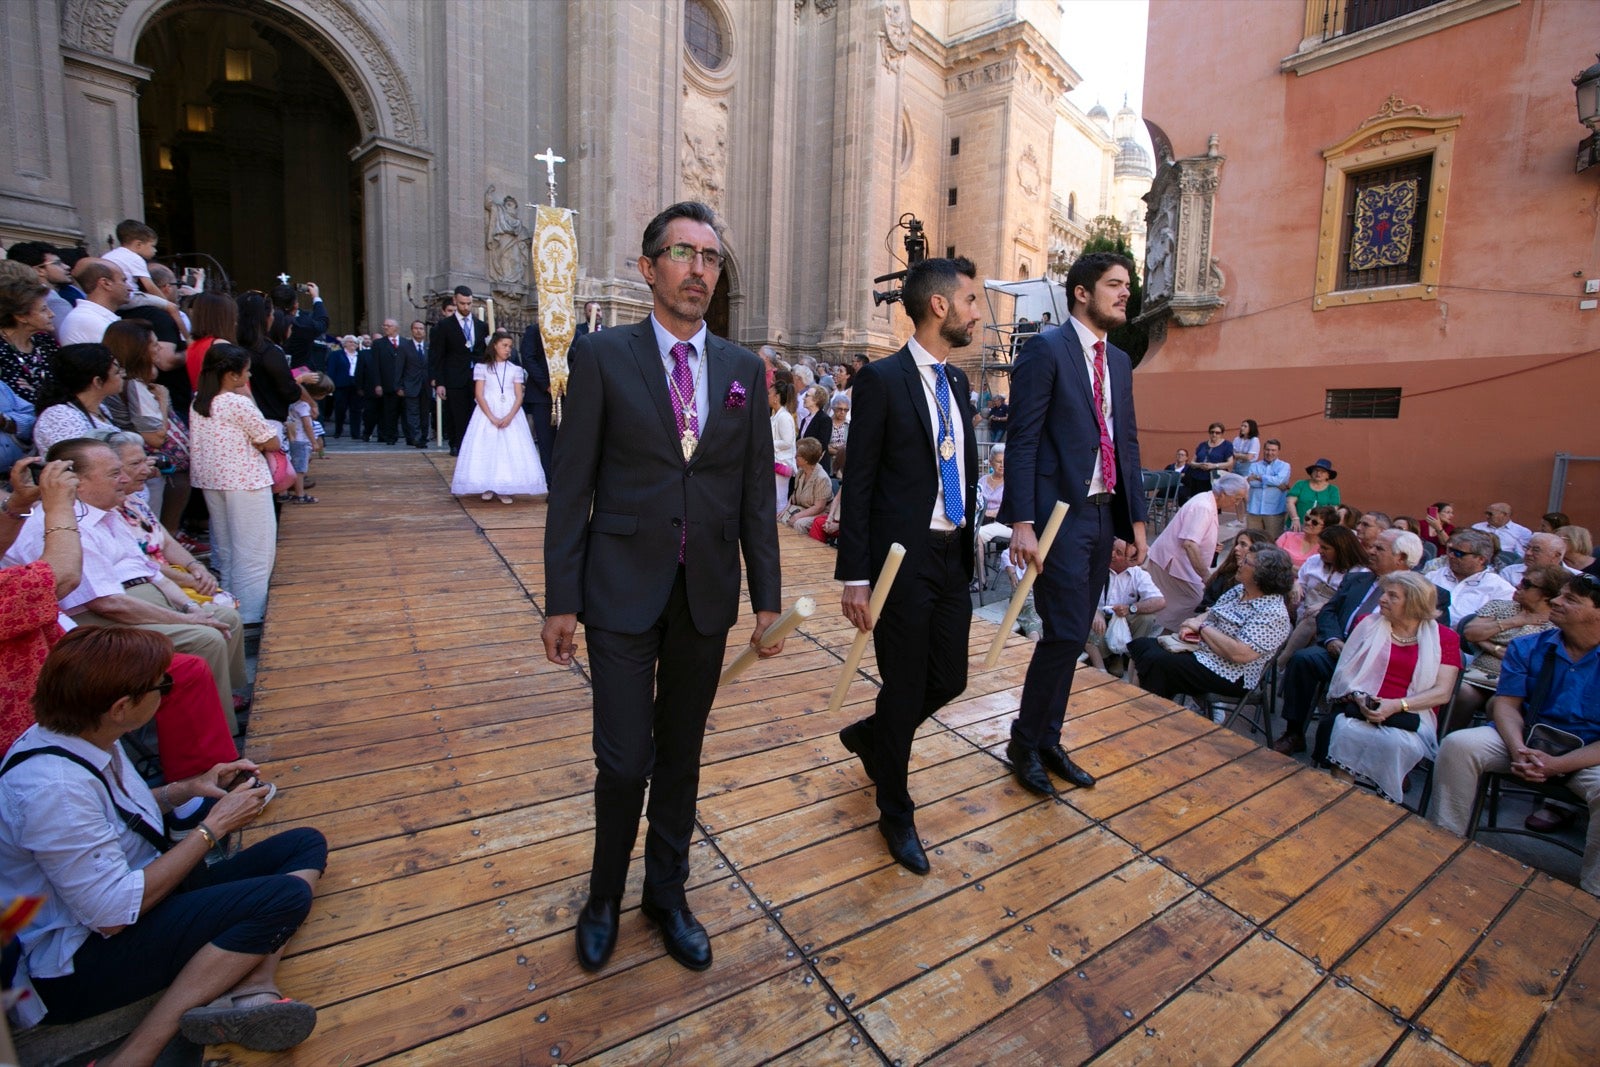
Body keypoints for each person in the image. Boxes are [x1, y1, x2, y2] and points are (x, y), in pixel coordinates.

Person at [542, 200, 782, 975]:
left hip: (706, 593)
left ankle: (666, 894)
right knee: (623, 759)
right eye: (684, 253)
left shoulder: (745, 372)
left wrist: (768, 599)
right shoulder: (606, 356)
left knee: (681, 753)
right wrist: (561, 597)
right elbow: (570, 484)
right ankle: (604, 896)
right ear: (649, 269)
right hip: (616, 588)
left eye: (711, 257)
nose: (700, 270)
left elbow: (753, 497)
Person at [0, 627, 326, 1060]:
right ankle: (136, 1052)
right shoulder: (54, 789)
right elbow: (112, 915)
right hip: (74, 966)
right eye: (162, 684)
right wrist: (213, 828)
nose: (166, 691)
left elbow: (111, 818)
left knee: (304, 845)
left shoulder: (80, 738)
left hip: (135, 898)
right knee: (283, 897)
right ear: (122, 707)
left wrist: (188, 788)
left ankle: (251, 984)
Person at [836, 255, 982, 872]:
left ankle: (874, 738)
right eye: (971, 300)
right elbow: (860, 481)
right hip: (901, 560)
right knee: (902, 686)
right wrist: (855, 577)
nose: (979, 312)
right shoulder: (883, 380)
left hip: (953, 553)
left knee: (950, 678)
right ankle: (895, 810)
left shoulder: (959, 382)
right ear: (940, 306)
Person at [1000, 250, 1148, 798]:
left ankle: (1046, 739)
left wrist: (1136, 523)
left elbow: (1127, 444)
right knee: (1062, 632)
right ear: (1082, 292)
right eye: (1114, 285)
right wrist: (1022, 520)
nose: (1124, 293)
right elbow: (1023, 439)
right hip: (1057, 516)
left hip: (1104, 513)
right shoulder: (1046, 350)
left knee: (1074, 633)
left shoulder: (1121, 363)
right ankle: (1025, 741)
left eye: (1127, 286)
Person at [1431, 573, 1600, 894]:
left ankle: (1594, 892)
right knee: (1459, 745)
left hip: (1586, 754)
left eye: (1571, 600)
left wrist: (1555, 766)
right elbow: (1506, 705)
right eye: (1560, 594)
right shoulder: (1529, 646)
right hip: (1524, 739)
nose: (1557, 602)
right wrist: (1519, 747)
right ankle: (1444, 841)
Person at [1273, 529, 1436, 756]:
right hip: (1338, 650)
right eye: (1373, 546)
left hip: (1382, 664)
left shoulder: (1423, 593)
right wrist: (1332, 639)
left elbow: (1426, 640)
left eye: (1379, 548)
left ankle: (1378, 758)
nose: (1370, 551)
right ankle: (1294, 732)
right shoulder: (1356, 579)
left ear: (1401, 558)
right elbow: (1329, 611)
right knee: (1303, 660)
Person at [1323, 572, 1462, 802]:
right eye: (1384, 593)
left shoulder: (1444, 638)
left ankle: (1380, 809)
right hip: (1361, 705)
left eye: (1392, 596)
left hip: (1411, 713)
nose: (1382, 599)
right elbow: (1347, 671)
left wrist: (1397, 705)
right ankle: (1337, 801)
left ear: (1414, 602)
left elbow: (1442, 692)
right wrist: (1359, 697)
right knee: (1346, 730)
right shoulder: (1367, 624)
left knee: (1394, 742)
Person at [1129, 543, 1294, 706]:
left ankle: (1144, 713)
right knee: (1143, 646)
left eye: (1246, 562)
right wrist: (1193, 623)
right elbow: (1213, 612)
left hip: (1231, 674)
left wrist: (1201, 628)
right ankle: (1143, 711)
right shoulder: (1240, 590)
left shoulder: (1273, 613)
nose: (1240, 563)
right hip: (1203, 653)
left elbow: (1239, 654)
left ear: (1262, 574)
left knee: (1157, 662)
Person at [187, 344, 280, 626]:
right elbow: (270, 440)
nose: (249, 374)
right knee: (254, 548)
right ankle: (250, 612)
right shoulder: (236, 402)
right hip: (245, 479)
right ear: (231, 374)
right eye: (245, 370)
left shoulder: (198, 401)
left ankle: (228, 601)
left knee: (225, 546)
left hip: (213, 479)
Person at [1455, 564, 1564, 724]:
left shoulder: (1555, 624)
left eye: (1527, 584)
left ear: (1547, 595)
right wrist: (1514, 621)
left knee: (1499, 704)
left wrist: (1486, 643)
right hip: (1478, 675)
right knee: (1463, 693)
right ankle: (1446, 740)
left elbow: (1526, 658)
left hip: (1518, 683)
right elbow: (1470, 633)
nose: (1518, 585)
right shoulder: (1500, 606)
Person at [1142, 472, 1248, 632]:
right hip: (1174, 564)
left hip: (1179, 566)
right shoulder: (1203, 506)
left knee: (1181, 610)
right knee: (1195, 602)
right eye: (1237, 497)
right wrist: (1206, 576)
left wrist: (1211, 545)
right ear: (1225, 493)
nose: (1237, 502)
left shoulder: (1208, 501)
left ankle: (1166, 639)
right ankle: (1163, 639)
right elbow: (1190, 544)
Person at [450, 329, 546, 503]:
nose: (508, 349)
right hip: (488, 411)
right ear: (494, 346)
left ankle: (505, 487)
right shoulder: (482, 368)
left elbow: (519, 396)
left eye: (510, 346)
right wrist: (492, 417)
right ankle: (487, 484)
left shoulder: (515, 369)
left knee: (509, 450)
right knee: (487, 447)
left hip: (510, 411)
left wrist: (509, 416)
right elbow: (479, 394)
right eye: (504, 346)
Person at [1281, 523, 1368, 657]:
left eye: (1325, 548)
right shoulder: (1314, 561)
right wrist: (1296, 584)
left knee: (1314, 618)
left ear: (1341, 549)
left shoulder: (1360, 573)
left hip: (1327, 624)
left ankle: (1284, 659)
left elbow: (1352, 603)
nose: (1320, 551)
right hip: (1300, 615)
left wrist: (1324, 605)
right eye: (1320, 546)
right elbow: (1301, 580)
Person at [1085, 538, 1166, 672]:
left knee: (1147, 618)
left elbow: (1160, 601)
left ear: (1131, 561)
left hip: (1121, 620)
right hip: (1097, 619)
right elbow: (1078, 593)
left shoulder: (1137, 574)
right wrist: (1094, 611)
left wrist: (1131, 609)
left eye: (1119, 553)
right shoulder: (1096, 566)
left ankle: (1126, 657)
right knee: (1084, 616)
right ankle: (1103, 664)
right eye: (1112, 549)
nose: (1112, 554)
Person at [31, 342, 123, 454]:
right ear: (97, 382)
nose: (122, 375)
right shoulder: (60, 416)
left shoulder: (101, 408)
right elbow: (81, 462)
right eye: (117, 372)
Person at [429, 286, 484, 456]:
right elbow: (437, 356)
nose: (466, 307)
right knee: (456, 414)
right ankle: (457, 444)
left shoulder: (481, 326)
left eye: (469, 303)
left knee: (474, 414)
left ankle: (473, 446)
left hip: (475, 378)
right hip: (453, 378)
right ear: (455, 300)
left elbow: (482, 352)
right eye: (462, 303)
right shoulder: (444, 326)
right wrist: (439, 382)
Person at [1428, 528, 1514, 627]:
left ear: (1481, 559)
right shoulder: (1433, 576)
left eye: (1458, 553)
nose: (1451, 556)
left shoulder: (1500, 589)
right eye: (1450, 550)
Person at [0, 273, 59, 403]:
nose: (52, 314)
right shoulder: (2, 352)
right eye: (44, 310)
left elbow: (69, 385)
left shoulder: (45, 341)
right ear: (21, 317)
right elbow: (18, 399)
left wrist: (35, 390)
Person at [57, 258, 130, 346]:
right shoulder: (89, 320)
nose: (130, 288)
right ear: (106, 283)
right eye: (123, 280)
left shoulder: (92, 317)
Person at [515, 319, 557, 465]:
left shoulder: (572, 331)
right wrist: (546, 385)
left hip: (565, 395)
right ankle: (549, 478)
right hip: (542, 396)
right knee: (546, 441)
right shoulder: (534, 330)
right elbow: (528, 359)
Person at [283, 373, 330, 504]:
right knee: (300, 470)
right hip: (301, 441)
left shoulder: (294, 402)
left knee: (292, 466)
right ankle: (300, 494)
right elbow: (307, 425)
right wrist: (314, 442)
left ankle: (284, 492)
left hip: (293, 439)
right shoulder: (304, 406)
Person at [1200, 528, 1273, 610]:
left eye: (1243, 545)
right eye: (1237, 544)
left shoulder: (1271, 584)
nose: (1236, 548)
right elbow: (1206, 603)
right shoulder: (1225, 575)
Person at [184, 292, 237, 391]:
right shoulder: (221, 346)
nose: (235, 322)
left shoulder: (192, 345)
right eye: (231, 316)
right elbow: (242, 390)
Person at [364, 318, 404, 445]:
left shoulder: (405, 343)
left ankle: (410, 437)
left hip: (403, 385)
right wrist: (378, 384)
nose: (385, 327)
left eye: (388, 325)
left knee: (407, 412)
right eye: (384, 325)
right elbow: (375, 366)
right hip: (387, 384)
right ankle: (390, 437)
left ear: (396, 328)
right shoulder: (378, 344)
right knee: (389, 413)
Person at [1243, 437, 1291, 538]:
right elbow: (1251, 484)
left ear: (1278, 451)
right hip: (1254, 509)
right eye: (1267, 449)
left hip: (1274, 510)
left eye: (1273, 450)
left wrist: (1258, 477)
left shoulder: (1284, 466)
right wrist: (1275, 484)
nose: (1270, 453)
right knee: (1253, 540)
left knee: (1273, 540)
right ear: (1264, 450)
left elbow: (1279, 480)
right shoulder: (1254, 465)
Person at [781, 437, 832, 531]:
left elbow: (819, 507)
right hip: (801, 508)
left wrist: (797, 516)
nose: (794, 456)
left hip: (819, 513)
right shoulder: (801, 471)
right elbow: (793, 497)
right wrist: (783, 511)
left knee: (799, 524)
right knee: (780, 519)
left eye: (797, 455)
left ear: (806, 460)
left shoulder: (821, 478)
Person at [1499, 532, 1575, 588]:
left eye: (1536, 550)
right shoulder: (1510, 572)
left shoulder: (1574, 578)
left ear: (1555, 556)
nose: (1528, 553)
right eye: (1527, 548)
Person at [1181, 422, 1233, 503]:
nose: (1214, 434)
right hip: (1198, 478)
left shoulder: (1227, 445)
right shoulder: (1202, 445)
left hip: (1214, 479)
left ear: (1222, 433)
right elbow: (1192, 462)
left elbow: (1230, 463)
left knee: (1212, 503)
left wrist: (1214, 465)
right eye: (1212, 432)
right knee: (1197, 502)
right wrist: (1200, 465)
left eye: (1217, 433)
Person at [1284, 458, 1340, 532]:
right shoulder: (1301, 484)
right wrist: (1295, 519)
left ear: (1328, 475)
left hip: (1318, 529)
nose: (1318, 473)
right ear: (1312, 472)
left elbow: (1333, 509)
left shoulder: (1333, 490)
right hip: (1296, 525)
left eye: (1323, 471)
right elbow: (1290, 502)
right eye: (1316, 470)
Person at [324, 335, 363, 440]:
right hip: (341, 385)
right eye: (350, 342)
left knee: (356, 410)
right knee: (340, 409)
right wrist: (331, 385)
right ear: (344, 343)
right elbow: (331, 370)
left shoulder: (360, 355)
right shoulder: (336, 354)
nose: (352, 344)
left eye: (354, 342)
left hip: (356, 386)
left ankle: (356, 433)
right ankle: (338, 431)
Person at [1276, 503, 1338, 568]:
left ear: (1326, 527)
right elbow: (1273, 558)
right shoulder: (1287, 536)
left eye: (1314, 522)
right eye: (1307, 518)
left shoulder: (1325, 548)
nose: (1308, 523)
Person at [399, 319, 430, 448]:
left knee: (425, 413)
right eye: (416, 328)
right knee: (413, 413)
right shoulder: (404, 347)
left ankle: (424, 436)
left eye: (421, 328)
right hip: (410, 385)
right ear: (412, 330)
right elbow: (399, 367)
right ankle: (415, 437)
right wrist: (399, 386)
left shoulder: (429, 347)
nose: (419, 331)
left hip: (426, 385)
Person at [769, 377, 797, 514]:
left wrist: (768, 443)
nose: (767, 396)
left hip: (781, 463)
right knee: (774, 497)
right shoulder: (776, 415)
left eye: (770, 394)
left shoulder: (784, 417)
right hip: (774, 461)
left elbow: (787, 442)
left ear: (776, 397)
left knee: (780, 498)